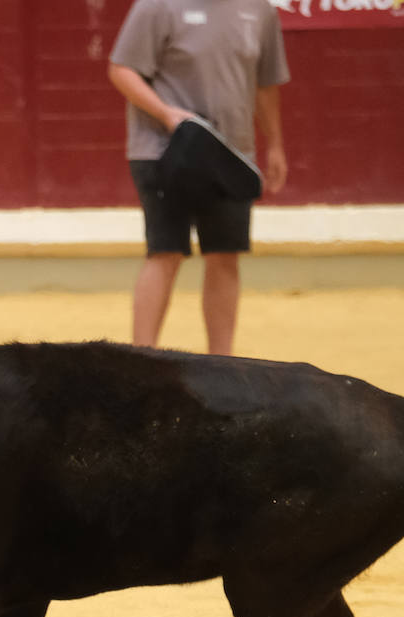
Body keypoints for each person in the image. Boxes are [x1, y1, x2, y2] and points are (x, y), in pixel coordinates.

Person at [108, 0, 288, 356]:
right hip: (164, 148)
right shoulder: (158, 5)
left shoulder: (259, 10)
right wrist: (166, 114)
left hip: (231, 153)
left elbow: (265, 84)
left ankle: (222, 364)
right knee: (166, 251)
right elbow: (122, 69)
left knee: (225, 254)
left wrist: (276, 145)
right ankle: (142, 361)